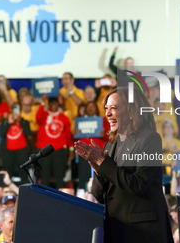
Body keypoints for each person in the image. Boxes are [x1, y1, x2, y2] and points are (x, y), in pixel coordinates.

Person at [74, 87, 173, 242]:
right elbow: (100, 195)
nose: (107, 114)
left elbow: (138, 184)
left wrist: (102, 162)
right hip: (116, 230)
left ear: (132, 110)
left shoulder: (150, 140)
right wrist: (98, 169)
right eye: (107, 108)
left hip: (143, 233)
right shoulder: (109, 145)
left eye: (114, 108)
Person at [36, 96, 74, 189]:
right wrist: (42, 103)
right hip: (45, 149)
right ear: (49, 104)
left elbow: (68, 134)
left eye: (55, 102)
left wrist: (71, 149)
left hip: (59, 149)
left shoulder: (64, 118)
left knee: (59, 176)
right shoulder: (44, 115)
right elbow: (38, 119)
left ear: (58, 104)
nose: (53, 104)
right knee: (44, 176)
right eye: (51, 103)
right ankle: (43, 198)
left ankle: (60, 199)